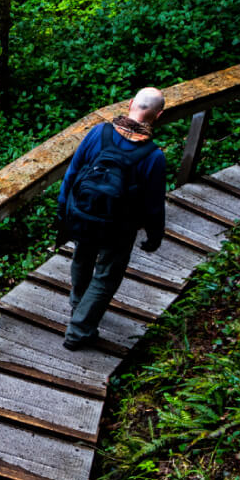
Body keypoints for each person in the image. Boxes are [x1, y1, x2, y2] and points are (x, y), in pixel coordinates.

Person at [56, 87, 168, 351]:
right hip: (119, 227)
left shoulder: (98, 133)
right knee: (106, 275)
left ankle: (78, 307)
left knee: (82, 257)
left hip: (82, 215)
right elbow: (153, 206)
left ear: (130, 104)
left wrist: (63, 208)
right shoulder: (153, 156)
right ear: (159, 115)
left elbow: (72, 173)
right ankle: (79, 330)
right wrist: (155, 235)